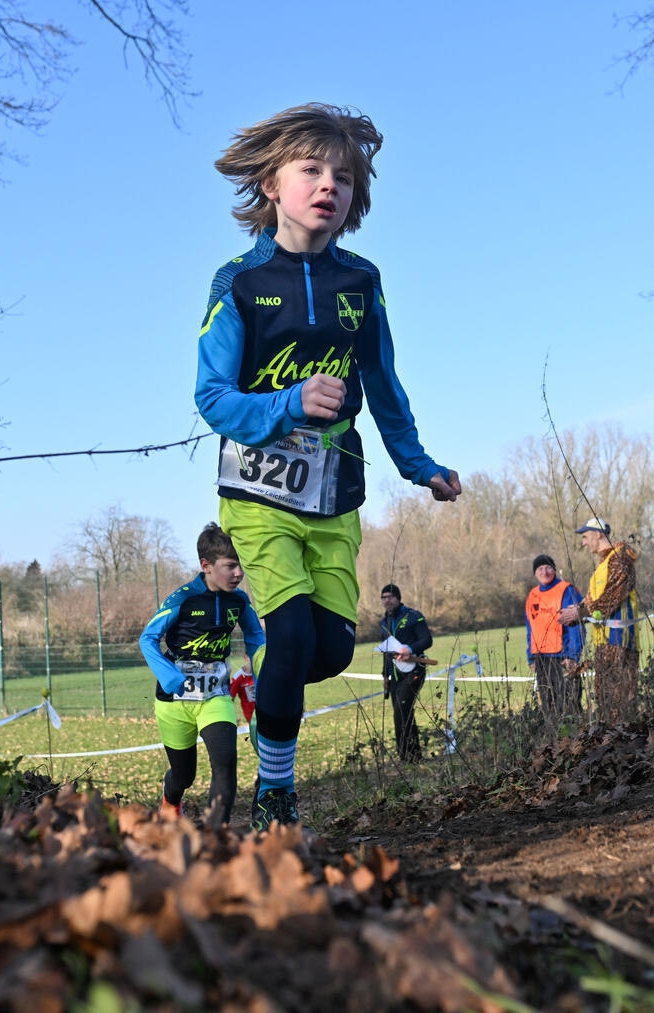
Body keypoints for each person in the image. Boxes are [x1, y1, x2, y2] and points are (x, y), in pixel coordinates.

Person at [194, 103, 461, 831]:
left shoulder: (361, 282)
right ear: (272, 185)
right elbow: (212, 398)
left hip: (335, 493)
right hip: (257, 494)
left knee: (332, 647)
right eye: (311, 169)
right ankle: (275, 794)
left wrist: (420, 465)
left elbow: (382, 382)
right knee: (290, 639)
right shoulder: (239, 285)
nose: (328, 186)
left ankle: (268, 682)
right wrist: (288, 402)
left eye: (344, 176)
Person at [139, 523, 265, 828]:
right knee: (184, 775)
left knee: (225, 763)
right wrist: (169, 677)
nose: (238, 574)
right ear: (206, 566)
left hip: (215, 697)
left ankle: (214, 835)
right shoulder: (183, 599)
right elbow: (148, 638)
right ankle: (170, 801)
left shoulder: (239, 601)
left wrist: (263, 680)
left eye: (241, 566)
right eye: (230, 566)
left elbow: (256, 637)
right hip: (173, 701)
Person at [560, 518, 639, 724]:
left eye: (586, 537)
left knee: (619, 702)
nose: (584, 543)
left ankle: (623, 746)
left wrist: (580, 612)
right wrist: (576, 610)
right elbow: (594, 599)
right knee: (606, 699)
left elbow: (612, 595)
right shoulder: (604, 564)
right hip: (604, 640)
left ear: (598, 534)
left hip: (620, 640)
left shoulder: (620, 559)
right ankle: (611, 745)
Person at [524, 554, 585, 723]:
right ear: (535, 573)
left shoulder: (566, 590)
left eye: (548, 568)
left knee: (568, 704)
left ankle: (576, 742)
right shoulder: (532, 596)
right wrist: (531, 657)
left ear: (554, 570)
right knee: (548, 705)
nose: (544, 572)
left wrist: (573, 656)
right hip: (541, 659)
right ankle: (553, 743)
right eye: (540, 569)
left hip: (562, 658)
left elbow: (577, 625)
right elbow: (530, 629)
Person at [377, 584, 433, 762]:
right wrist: (385, 675)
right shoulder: (383, 623)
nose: (387, 600)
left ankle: (407, 758)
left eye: (391, 596)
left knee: (402, 710)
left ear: (398, 598)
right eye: (384, 597)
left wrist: (409, 649)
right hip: (395, 674)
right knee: (402, 712)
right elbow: (387, 651)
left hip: (414, 669)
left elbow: (427, 639)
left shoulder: (412, 617)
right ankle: (412, 755)